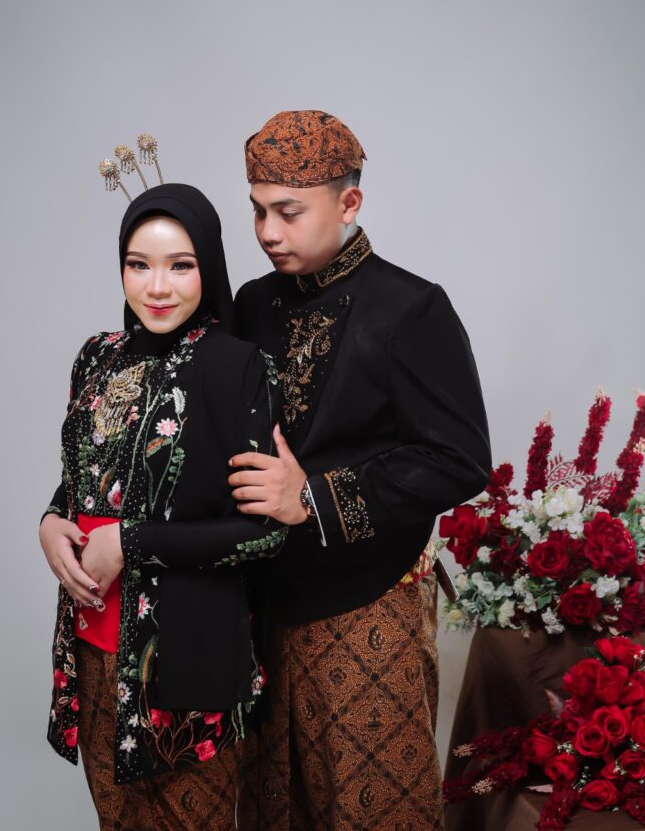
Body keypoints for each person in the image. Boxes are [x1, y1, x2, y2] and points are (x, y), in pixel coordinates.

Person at [230, 110, 492, 831]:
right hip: (260, 603)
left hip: (367, 602)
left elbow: (458, 457)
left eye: (288, 212)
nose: (267, 231)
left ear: (349, 203)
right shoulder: (252, 304)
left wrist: (312, 498)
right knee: (271, 806)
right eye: (257, 211)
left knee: (372, 809)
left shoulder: (410, 307)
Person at [39, 177, 285, 831]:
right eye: (137, 264)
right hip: (93, 649)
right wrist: (49, 523)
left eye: (180, 265)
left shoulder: (236, 367)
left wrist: (131, 542)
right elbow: (80, 479)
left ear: (209, 266)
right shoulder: (97, 357)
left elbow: (264, 532)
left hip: (186, 660)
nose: (156, 286)